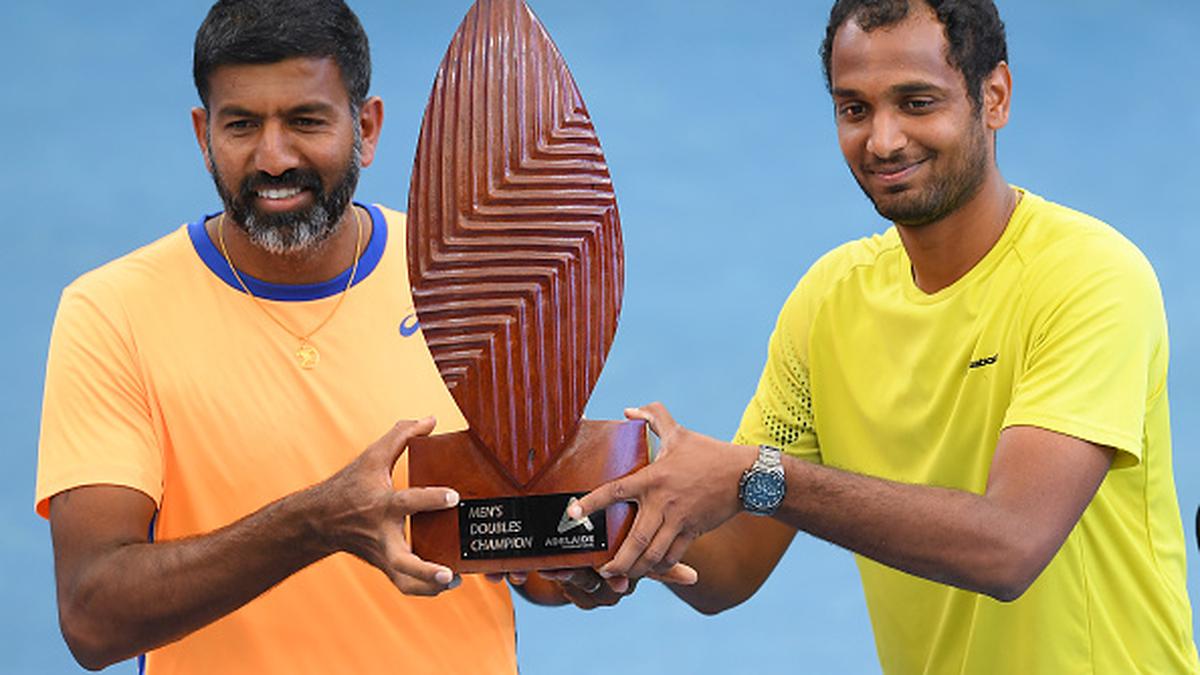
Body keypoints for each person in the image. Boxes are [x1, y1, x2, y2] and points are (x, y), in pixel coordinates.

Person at [570, 0, 1200, 672]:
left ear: (995, 96)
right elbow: (731, 567)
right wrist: (610, 519)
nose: (883, 140)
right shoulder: (827, 302)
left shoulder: (1091, 277)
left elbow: (1010, 544)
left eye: (917, 102)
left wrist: (759, 477)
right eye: (855, 109)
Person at [34, 1, 630, 672]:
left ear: (367, 127)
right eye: (241, 125)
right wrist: (313, 523)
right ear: (204, 135)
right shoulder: (111, 311)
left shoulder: (468, 277)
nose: (275, 157)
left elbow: (522, 547)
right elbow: (92, 616)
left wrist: (572, 555)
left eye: (306, 120)